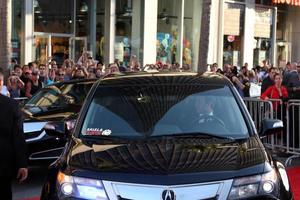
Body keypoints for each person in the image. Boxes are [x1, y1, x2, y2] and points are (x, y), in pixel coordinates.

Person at [0, 69, 28, 200]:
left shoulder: (12, 105)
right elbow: (18, 136)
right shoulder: (12, 105)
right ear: (1, 83)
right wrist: (22, 164)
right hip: (4, 163)